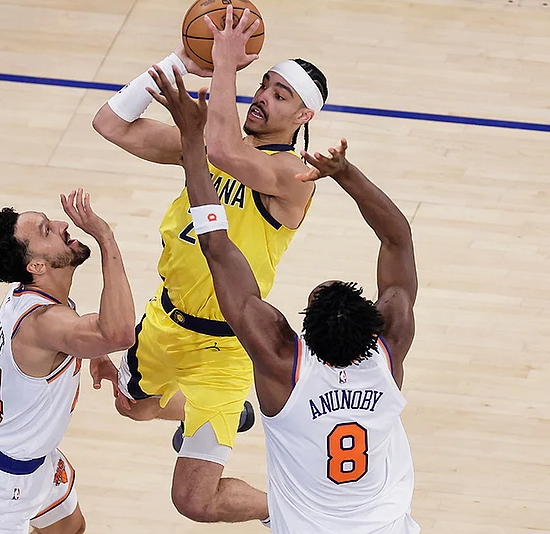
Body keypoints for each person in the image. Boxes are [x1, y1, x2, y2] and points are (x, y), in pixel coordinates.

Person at [147, 64, 420, 533]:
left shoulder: (283, 365)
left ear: (302, 334)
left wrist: (196, 145)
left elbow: (216, 246)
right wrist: (346, 174)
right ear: (376, 330)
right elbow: (399, 240)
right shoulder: (387, 352)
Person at [91, 5, 328, 525]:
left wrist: (223, 64)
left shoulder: (294, 174)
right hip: (162, 321)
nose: (262, 97)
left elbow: (220, 148)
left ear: (303, 118)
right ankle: (223, 414)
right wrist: (181, 59)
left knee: (194, 503)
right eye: (263, 84)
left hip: (225, 349)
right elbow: (110, 123)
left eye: (280, 95)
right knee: (133, 407)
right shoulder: (208, 149)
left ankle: (294, 513)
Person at [0, 189, 136, 534]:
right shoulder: (45, 322)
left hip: (29, 458)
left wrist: (89, 350)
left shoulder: (27, 296)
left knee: (69, 529)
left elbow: (61, 338)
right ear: (36, 266)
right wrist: (106, 239)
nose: (64, 224)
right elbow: (120, 332)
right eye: (47, 230)